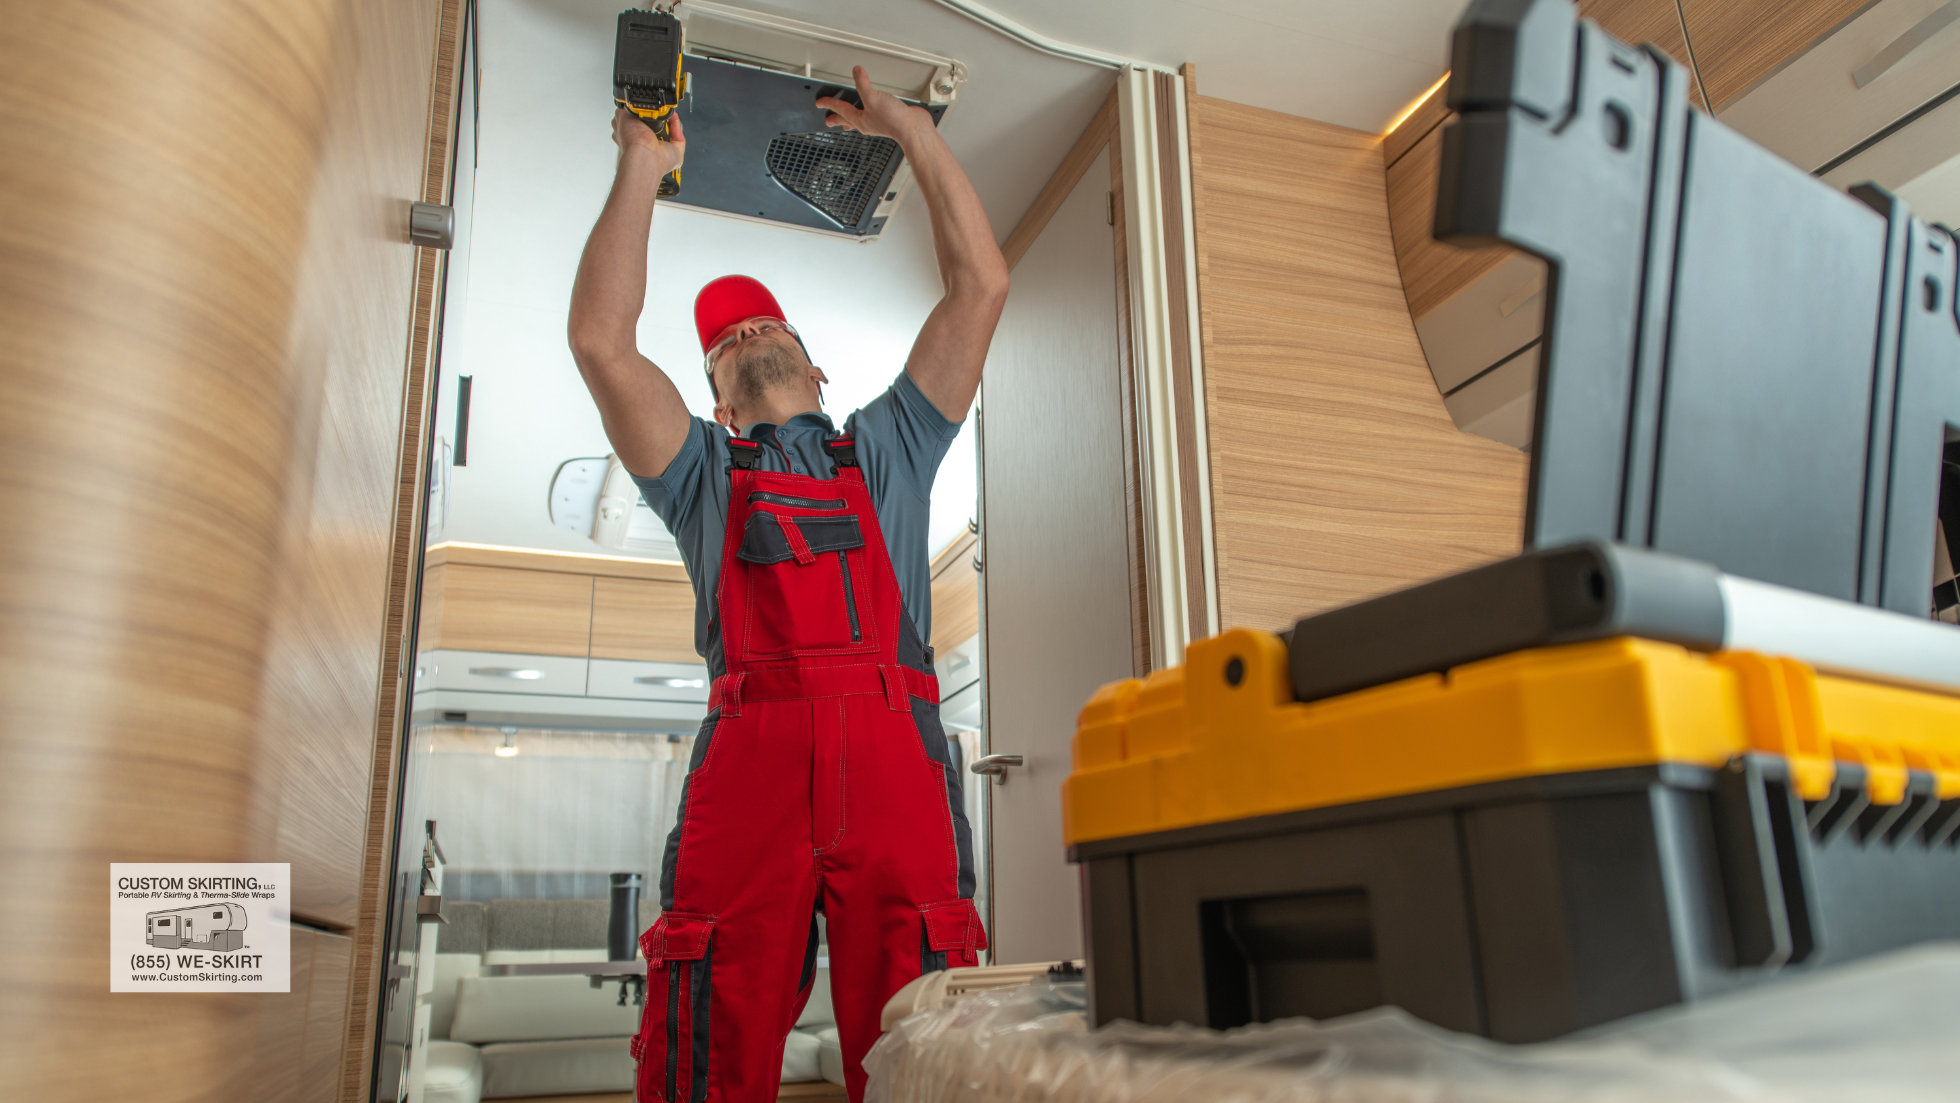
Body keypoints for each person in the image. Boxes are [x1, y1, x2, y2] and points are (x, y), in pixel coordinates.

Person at [566, 66, 1009, 1103]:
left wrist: (910, 130)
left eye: (767, 327)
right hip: (750, 771)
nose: (744, 333)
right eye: (723, 344)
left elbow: (981, 287)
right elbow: (600, 342)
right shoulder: (698, 474)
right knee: (705, 1034)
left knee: (925, 1042)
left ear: (819, 374)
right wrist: (643, 163)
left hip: (894, 763)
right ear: (717, 405)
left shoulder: (891, 447)